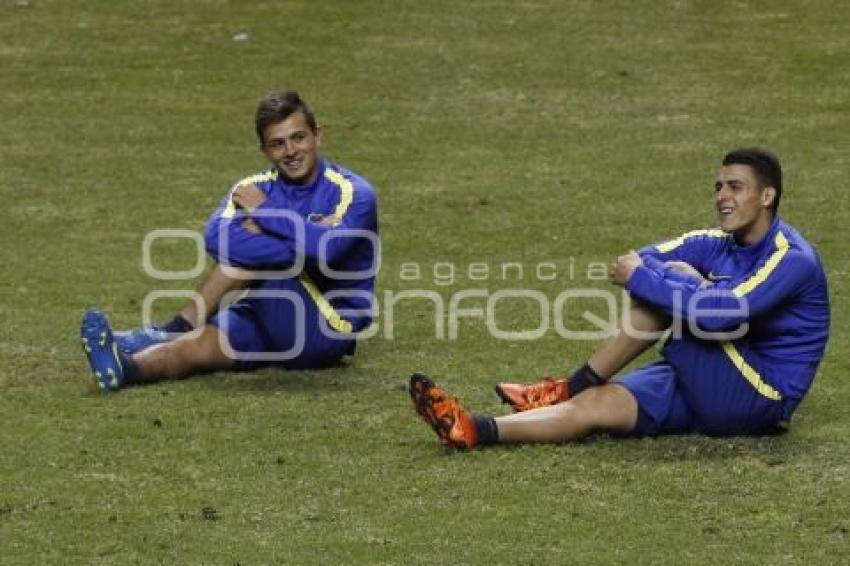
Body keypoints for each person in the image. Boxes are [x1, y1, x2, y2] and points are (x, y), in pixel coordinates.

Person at [410, 148, 829, 448]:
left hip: (758, 394)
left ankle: (566, 386)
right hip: (711, 373)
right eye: (718, 186)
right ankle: (475, 429)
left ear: (767, 196)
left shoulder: (791, 259)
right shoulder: (714, 242)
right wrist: (678, 281)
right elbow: (636, 260)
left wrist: (686, 285)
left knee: (663, 294)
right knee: (595, 404)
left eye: (736, 187)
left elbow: (723, 314)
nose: (722, 196)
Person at [81, 89, 379, 391]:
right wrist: (302, 236)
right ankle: (127, 367)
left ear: (317, 135)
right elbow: (216, 238)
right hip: (268, 311)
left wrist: (265, 214)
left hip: (327, 329)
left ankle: (174, 326)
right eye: (277, 144)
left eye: (298, 138)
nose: (290, 151)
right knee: (197, 347)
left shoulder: (353, 193)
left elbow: (328, 248)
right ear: (264, 150)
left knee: (254, 260)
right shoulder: (250, 187)